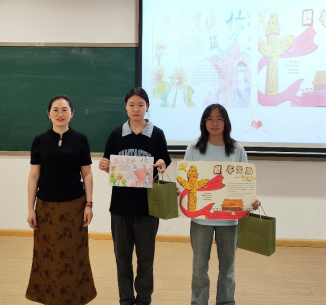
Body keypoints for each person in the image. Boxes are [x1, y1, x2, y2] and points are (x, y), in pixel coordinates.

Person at [182, 104, 260, 306]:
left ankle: (226, 302)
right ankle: (198, 302)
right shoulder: (194, 148)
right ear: (204, 122)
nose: (214, 123)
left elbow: (244, 183)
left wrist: (251, 201)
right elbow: (185, 180)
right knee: (199, 269)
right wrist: (180, 189)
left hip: (229, 220)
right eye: (209, 119)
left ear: (226, 122)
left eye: (219, 119)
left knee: (228, 269)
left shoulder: (237, 149)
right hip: (201, 220)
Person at [99, 87, 171, 306]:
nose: (136, 109)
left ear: (147, 106)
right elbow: (109, 164)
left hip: (149, 207)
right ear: (126, 107)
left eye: (140, 104)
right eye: (131, 105)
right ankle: (126, 299)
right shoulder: (116, 134)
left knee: (146, 259)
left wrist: (162, 163)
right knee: (122, 259)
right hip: (120, 207)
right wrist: (105, 166)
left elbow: (164, 160)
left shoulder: (157, 134)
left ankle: (144, 300)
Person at [26, 95, 97, 305]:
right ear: (48, 114)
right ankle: (50, 297)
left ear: (72, 114)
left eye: (65, 110)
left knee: (74, 255)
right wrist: (30, 209)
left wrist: (89, 205)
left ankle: (75, 298)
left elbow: (87, 174)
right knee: (47, 256)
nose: (60, 114)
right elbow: (33, 176)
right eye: (55, 110)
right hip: (46, 207)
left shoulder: (81, 139)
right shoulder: (39, 140)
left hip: (74, 206)